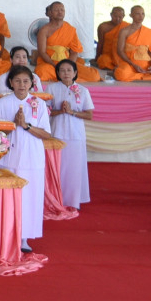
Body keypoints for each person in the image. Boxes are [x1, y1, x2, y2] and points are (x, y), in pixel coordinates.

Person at [0, 65, 51, 250]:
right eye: (17, 81)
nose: (21, 84)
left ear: (32, 83)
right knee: (8, 199)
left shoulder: (39, 103)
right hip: (8, 157)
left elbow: (46, 134)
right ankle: (6, 236)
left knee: (29, 198)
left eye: (26, 81)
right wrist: (13, 124)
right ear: (10, 83)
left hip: (32, 159)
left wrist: (25, 125)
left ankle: (24, 238)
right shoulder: (3, 102)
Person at [48, 58, 95, 211]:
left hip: (76, 135)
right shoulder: (51, 88)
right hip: (57, 133)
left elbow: (89, 115)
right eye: (62, 70)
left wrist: (72, 112)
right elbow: (46, 112)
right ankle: (56, 199)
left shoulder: (82, 90)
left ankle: (74, 201)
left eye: (69, 70)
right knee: (58, 168)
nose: (66, 73)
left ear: (75, 72)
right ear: (58, 73)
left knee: (74, 168)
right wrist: (60, 111)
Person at [34, 2, 95, 81]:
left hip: (67, 61)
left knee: (94, 75)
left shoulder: (70, 29)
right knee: (41, 72)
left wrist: (68, 66)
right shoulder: (44, 30)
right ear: (50, 13)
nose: (60, 12)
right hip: (50, 63)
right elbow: (42, 52)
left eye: (62, 10)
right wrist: (56, 66)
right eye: (56, 10)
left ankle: (65, 75)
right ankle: (64, 76)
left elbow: (74, 51)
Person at [115, 6, 151, 82]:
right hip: (130, 64)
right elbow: (120, 51)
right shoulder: (124, 31)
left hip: (146, 65)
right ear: (131, 15)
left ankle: (140, 76)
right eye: (137, 14)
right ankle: (146, 77)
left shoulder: (149, 31)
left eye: (143, 14)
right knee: (122, 74)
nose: (141, 16)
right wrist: (133, 65)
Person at [92, 5, 129, 78]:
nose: (117, 19)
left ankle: (119, 69)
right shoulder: (103, 26)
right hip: (108, 55)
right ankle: (116, 69)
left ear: (124, 16)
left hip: (121, 56)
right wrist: (97, 58)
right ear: (111, 15)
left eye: (120, 17)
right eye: (115, 16)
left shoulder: (127, 27)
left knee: (127, 64)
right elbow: (100, 43)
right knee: (103, 61)